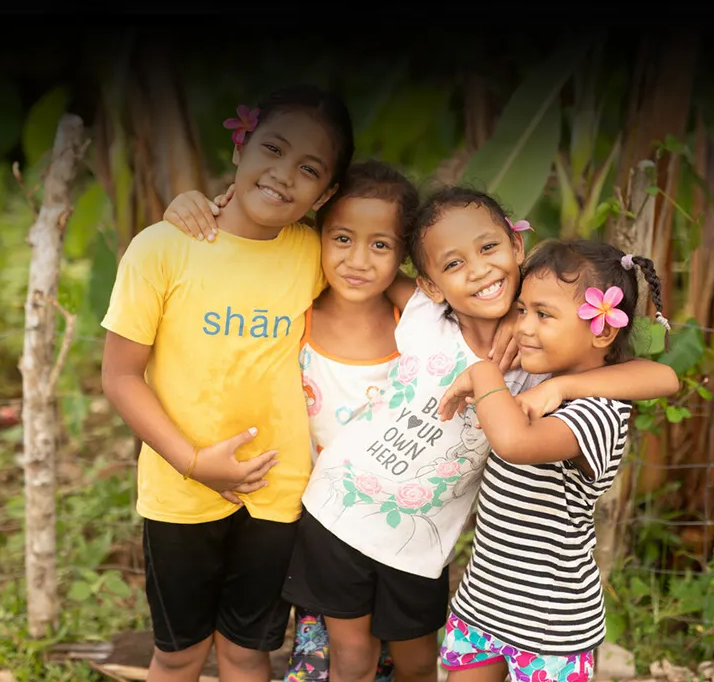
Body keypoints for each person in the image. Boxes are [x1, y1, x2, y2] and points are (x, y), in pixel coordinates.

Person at [283, 188, 680, 682]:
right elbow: (365, 258)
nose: (477, 270)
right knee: (352, 660)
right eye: (453, 264)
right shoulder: (429, 315)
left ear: (516, 248)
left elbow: (663, 378)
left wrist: (556, 384)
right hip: (340, 505)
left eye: (489, 249)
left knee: (415, 666)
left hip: (424, 547)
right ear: (431, 283)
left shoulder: (539, 360)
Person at [164, 162, 524, 682]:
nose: (360, 260)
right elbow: (241, 255)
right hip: (331, 514)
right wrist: (194, 207)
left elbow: (464, 297)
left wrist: (520, 323)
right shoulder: (331, 307)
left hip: (414, 540)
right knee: (343, 657)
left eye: (381, 246)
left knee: (414, 659)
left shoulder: (481, 332)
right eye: (343, 239)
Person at [100, 84, 355, 682]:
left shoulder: (313, 254)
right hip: (180, 490)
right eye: (272, 148)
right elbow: (119, 375)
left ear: (327, 193)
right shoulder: (163, 248)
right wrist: (193, 460)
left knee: (247, 653)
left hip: (277, 491)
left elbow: (378, 278)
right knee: (181, 655)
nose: (283, 174)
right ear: (241, 145)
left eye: (309, 169)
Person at [435, 237, 675, 682]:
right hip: (483, 602)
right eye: (521, 310)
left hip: (550, 626)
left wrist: (486, 373)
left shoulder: (599, 412)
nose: (523, 326)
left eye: (543, 315)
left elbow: (516, 443)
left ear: (602, 329)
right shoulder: (535, 376)